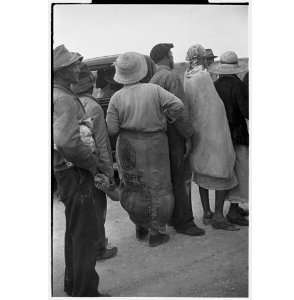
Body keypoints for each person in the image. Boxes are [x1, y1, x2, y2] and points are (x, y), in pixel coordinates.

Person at [106, 52, 184, 247]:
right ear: (141, 69)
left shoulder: (116, 97)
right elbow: (178, 106)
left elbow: (112, 129)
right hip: (155, 144)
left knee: (133, 186)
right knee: (159, 187)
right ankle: (156, 231)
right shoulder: (154, 90)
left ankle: (140, 224)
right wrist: (166, 116)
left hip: (127, 146)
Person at [53, 44, 109, 296]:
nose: (79, 67)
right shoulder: (64, 98)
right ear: (62, 71)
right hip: (76, 173)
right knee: (84, 235)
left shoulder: (55, 94)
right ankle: (86, 291)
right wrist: (91, 163)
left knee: (75, 232)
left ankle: (74, 286)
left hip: (66, 173)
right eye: (74, 64)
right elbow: (67, 142)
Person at [150, 43, 205, 236]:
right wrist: (188, 135)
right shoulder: (171, 77)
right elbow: (178, 110)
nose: (173, 57)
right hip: (175, 133)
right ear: (166, 56)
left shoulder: (153, 78)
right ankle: (185, 222)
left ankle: (174, 218)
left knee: (171, 178)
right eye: (171, 54)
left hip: (161, 134)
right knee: (182, 179)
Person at [184, 44, 239, 231]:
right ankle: (218, 216)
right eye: (207, 58)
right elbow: (213, 106)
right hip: (214, 132)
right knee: (223, 168)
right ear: (202, 58)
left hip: (198, 131)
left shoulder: (187, 76)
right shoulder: (204, 77)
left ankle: (207, 212)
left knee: (202, 172)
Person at [71, 63, 118, 260]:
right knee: (97, 208)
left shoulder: (66, 103)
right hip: (93, 165)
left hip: (73, 167)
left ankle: (88, 246)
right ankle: (98, 248)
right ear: (90, 82)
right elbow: (102, 144)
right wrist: (108, 173)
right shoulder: (93, 107)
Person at [208, 51, 249, 226]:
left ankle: (228, 209)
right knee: (241, 172)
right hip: (237, 134)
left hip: (220, 135)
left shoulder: (214, 85)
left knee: (227, 172)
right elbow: (246, 111)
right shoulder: (238, 85)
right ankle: (233, 210)